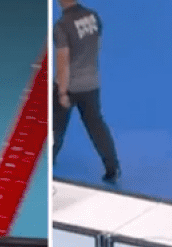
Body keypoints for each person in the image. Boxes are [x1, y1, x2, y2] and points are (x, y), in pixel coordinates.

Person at [53, 0, 120, 184]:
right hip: (91, 83)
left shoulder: (61, 26)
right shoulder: (93, 16)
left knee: (55, 127)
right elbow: (96, 46)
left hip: (71, 85)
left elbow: (63, 62)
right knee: (96, 126)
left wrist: (62, 92)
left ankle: (49, 160)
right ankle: (112, 167)